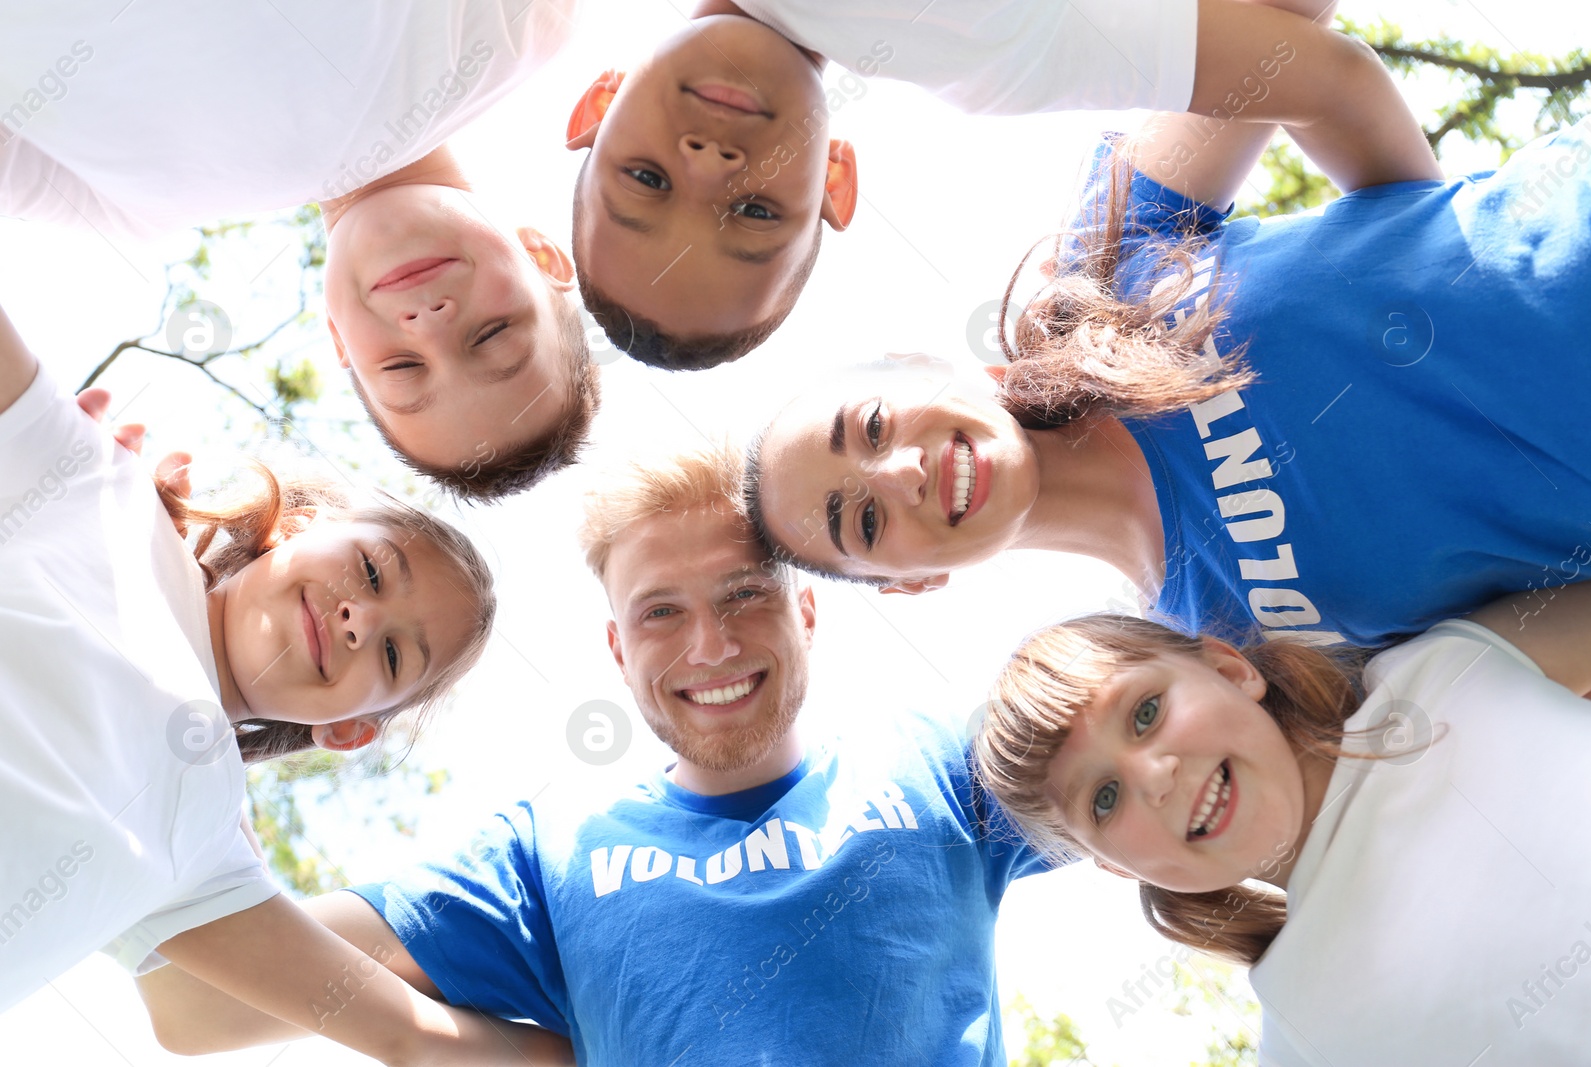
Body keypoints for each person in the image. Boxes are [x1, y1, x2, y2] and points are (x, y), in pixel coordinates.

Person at [133, 443, 1049, 1065]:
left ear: (807, 612)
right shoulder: (550, 853)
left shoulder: (938, 763)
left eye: (743, 595)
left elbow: (1173, 742)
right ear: (619, 650)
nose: (711, 646)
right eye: (660, 612)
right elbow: (191, 999)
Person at [745, 65, 1591, 648]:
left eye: (870, 425)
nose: (898, 474)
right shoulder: (1221, 646)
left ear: (912, 363)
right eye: (862, 522)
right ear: (913, 584)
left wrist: (1425, 244)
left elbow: (1303, 63)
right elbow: (1516, 648)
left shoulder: (1101, 263)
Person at [0, 303, 580, 1067]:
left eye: (396, 655)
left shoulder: (206, 838)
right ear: (302, 525)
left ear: (349, 729)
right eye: (372, 570)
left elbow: (416, 1037)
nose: (358, 618)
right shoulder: (101, 489)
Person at [566, 0, 1434, 370]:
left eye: (645, 178)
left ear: (596, 105)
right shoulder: (992, 58)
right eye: (754, 210)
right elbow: (1310, 64)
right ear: (834, 178)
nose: (710, 165)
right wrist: (1439, 285)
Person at [970, 571, 1591, 1063]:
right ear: (1114, 866)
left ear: (1228, 669)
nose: (1154, 777)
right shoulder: (1304, 1041)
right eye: (1104, 798)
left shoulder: (1444, 672)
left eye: (1145, 713)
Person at [1, 1, 597, 499]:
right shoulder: (520, 31)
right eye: (491, 335)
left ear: (338, 339)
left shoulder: (122, 210)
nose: (431, 326)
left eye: (402, 366)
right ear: (543, 256)